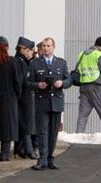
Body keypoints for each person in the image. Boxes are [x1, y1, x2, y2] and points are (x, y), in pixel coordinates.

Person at [28, 37, 71, 170]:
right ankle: (42, 159)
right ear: (41, 48)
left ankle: (50, 158)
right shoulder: (35, 63)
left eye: (49, 46)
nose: (46, 48)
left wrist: (62, 83)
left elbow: (69, 80)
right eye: (44, 46)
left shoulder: (61, 63)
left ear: (53, 47)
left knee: (53, 133)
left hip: (56, 102)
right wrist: (38, 85)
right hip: (42, 102)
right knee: (42, 132)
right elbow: (28, 83)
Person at [76, 37, 101, 134]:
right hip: (96, 87)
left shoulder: (82, 54)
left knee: (82, 116)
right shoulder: (99, 54)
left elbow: (78, 69)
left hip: (83, 87)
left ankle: (78, 136)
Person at [15, 37, 37, 159]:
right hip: (24, 96)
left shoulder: (23, 61)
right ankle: (28, 149)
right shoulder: (20, 62)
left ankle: (21, 149)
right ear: (23, 49)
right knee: (26, 124)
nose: (31, 53)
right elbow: (22, 81)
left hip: (25, 96)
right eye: (29, 50)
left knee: (25, 123)